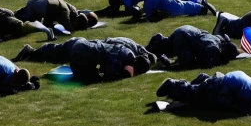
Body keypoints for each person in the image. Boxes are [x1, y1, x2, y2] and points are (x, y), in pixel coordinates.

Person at [13, 37, 155, 83]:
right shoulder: (122, 59)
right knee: (88, 80)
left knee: (57, 51)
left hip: (83, 42)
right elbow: (108, 75)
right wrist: (124, 74)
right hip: (83, 55)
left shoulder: (127, 51)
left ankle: (32, 52)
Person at [156, 71, 251, 113]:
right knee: (194, 98)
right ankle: (173, 84)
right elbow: (240, 106)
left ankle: (204, 79)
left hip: (224, 80)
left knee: (202, 93)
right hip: (220, 86)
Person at [146, 25, 239, 68]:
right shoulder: (213, 48)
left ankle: (158, 41)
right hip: (184, 37)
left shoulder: (217, 40)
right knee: (186, 63)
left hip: (187, 30)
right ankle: (166, 61)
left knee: (169, 48)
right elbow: (207, 64)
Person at [15, 0, 98, 32]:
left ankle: (16, 14)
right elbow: (68, 27)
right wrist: (74, 30)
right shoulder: (66, 11)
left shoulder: (66, 9)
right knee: (25, 26)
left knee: (45, 24)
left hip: (38, 2)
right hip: (39, 6)